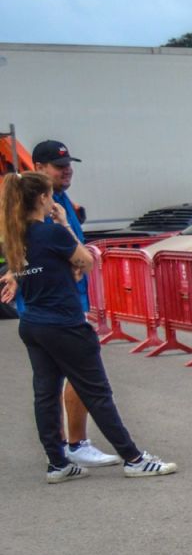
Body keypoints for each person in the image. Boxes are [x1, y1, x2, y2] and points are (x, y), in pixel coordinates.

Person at [0, 171, 177, 483]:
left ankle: (58, 464)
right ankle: (133, 458)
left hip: (33, 323)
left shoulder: (17, 236)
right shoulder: (52, 233)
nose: (54, 201)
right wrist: (64, 223)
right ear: (42, 198)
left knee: (45, 394)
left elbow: (44, 267)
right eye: (50, 195)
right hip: (64, 323)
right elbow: (86, 260)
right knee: (97, 393)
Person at [32, 140, 122, 468]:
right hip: (58, 305)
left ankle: (60, 455)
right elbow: (73, 254)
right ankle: (77, 444)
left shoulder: (59, 199)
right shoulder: (39, 206)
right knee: (81, 376)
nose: (67, 170)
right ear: (39, 168)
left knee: (52, 382)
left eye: (69, 164)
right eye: (59, 166)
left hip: (58, 303)